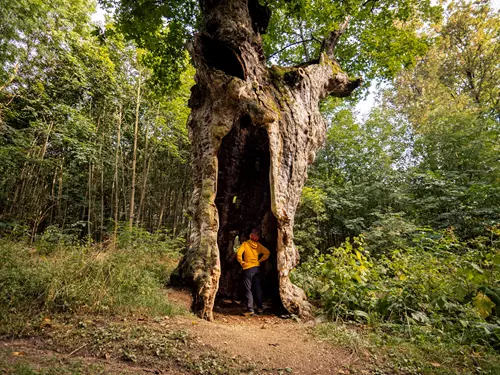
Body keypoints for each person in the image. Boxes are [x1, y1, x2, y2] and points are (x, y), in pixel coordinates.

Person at [236, 228, 270, 316]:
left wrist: (242, 262)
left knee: (248, 289)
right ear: (257, 238)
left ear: (251, 236)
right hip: (256, 268)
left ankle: (250, 309)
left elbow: (239, 253)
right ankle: (259, 308)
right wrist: (260, 260)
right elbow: (267, 252)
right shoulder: (258, 246)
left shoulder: (245, 244)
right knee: (257, 288)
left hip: (248, 268)